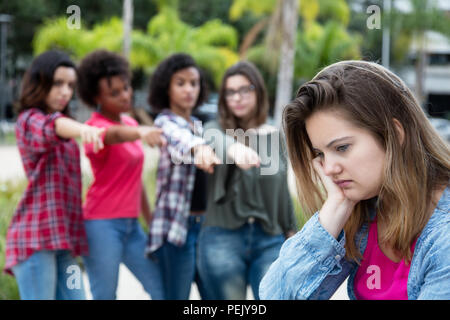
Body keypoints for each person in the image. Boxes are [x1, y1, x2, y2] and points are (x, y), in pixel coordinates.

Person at [259, 60, 450, 300]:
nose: (328, 169)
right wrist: (335, 208)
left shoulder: (443, 236)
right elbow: (275, 296)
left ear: (395, 135)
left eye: (342, 147)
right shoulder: (364, 215)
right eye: (320, 154)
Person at [4, 50, 105, 300]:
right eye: (58, 83)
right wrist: (83, 129)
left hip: (64, 240)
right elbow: (52, 126)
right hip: (36, 240)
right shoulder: (29, 121)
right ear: (41, 82)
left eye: (70, 85)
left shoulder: (65, 127)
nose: (65, 92)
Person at [197, 61, 298, 300]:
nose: (237, 97)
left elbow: (282, 191)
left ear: (258, 92)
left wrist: (291, 232)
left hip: (270, 239)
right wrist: (234, 150)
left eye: (245, 89)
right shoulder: (214, 129)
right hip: (223, 239)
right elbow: (214, 141)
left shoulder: (274, 136)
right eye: (230, 92)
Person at [76, 49, 166, 300]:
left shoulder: (132, 124)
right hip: (101, 224)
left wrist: (150, 223)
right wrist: (139, 133)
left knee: (161, 289)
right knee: (105, 295)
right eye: (114, 93)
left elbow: (135, 183)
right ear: (96, 97)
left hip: (131, 227)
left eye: (125, 88)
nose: (124, 95)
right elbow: (111, 136)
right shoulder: (93, 128)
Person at [145, 53, 221, 300]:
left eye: (194, 83)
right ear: (166, 88)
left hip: (206, 227)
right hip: (177, 228)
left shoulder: (202, 125)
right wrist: (199, 149)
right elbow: (180, 140)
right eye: (181, 83)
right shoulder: (164, 122)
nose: (189, 89)